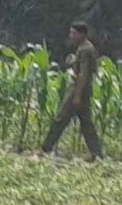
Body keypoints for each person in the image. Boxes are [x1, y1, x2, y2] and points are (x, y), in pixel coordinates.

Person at [41, 22, 102, 160]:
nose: (71, 36)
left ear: (83, 34)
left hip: (78, 90)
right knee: (86, 123)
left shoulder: (85, 50)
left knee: (61, 119)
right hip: (84, 91)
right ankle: (97, 153)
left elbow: (83, 74)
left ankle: (46, 148)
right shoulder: (85, 48)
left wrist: (77, 96)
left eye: (74, 33)